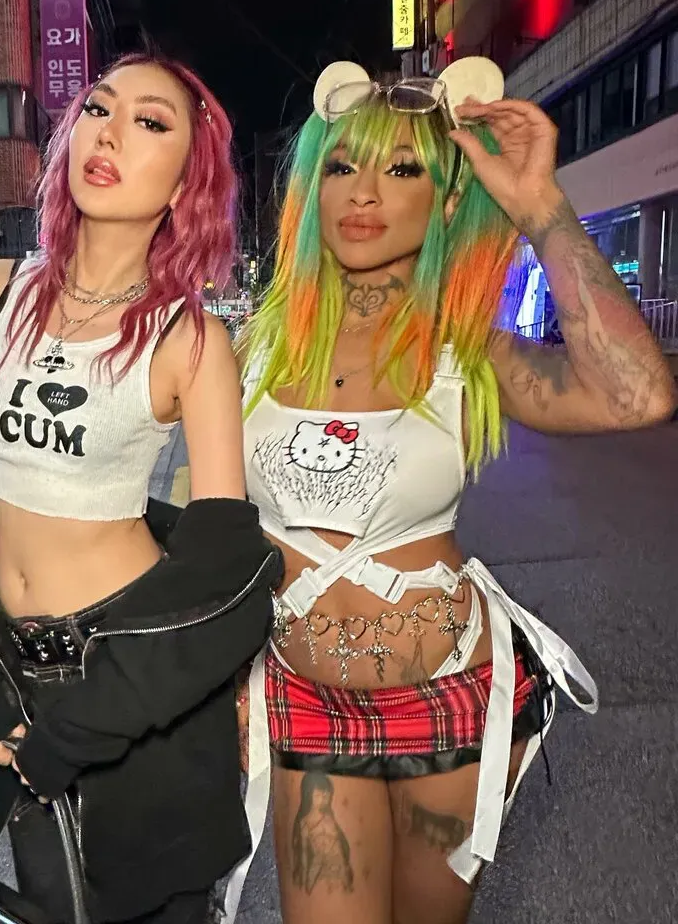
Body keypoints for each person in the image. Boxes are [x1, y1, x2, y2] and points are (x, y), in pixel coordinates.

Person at [231, 61, 677, 924]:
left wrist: (539, 206)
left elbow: (639, 395)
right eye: (341, 166)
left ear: (445, 203)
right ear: (313, 190)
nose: (365, 191)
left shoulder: (468, 351)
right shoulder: (253, 347)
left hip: (447, 703)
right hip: (304, 701)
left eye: (403, 169)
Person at [0, 54, 282, 924]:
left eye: (151, 123)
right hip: (2, 663)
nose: (109, 133)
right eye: (99, 109)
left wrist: (80, 729)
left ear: (187, 181)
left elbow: (224, 570)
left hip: (125, 684)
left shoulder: (189, 338)